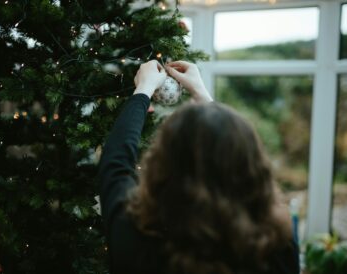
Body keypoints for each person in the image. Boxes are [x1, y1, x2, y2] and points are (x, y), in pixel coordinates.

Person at [98, 60, 299, 274]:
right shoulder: (275, 244)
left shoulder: (135, 236)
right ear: (252, 168)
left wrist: (143, 90)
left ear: (162, 165)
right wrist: (203, 95)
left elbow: (115, 160)